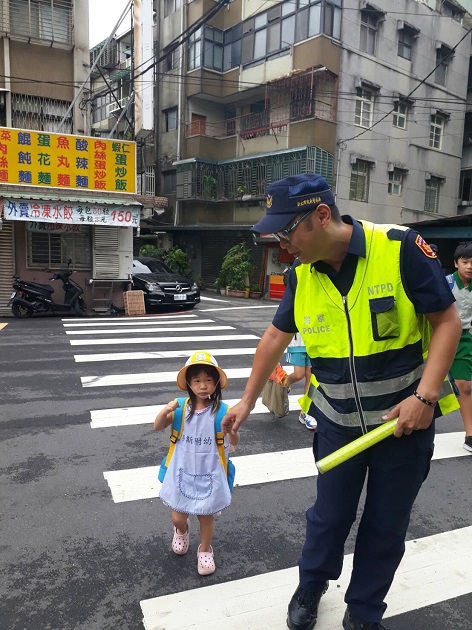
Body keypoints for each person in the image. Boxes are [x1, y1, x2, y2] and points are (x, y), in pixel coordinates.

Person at [221, 173, 461, 630]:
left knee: (385, 526)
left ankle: (365, 612)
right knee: (328, 517)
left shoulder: (400, 248)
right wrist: (247, 401)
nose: (283, 244)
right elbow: (275, 334)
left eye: (288, 231)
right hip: (337, 422)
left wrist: (425, 398)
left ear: (322, 216)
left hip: (402, 423)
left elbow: (448, 321)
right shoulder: (301, 276)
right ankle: (311, 585)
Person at [154, 351, 240, 576]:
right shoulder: (181, 408)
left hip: (209, 472)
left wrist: (232, 431)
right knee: (177, 516)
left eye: (208, 380)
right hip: (182, 471)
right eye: (198, 381)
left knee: (206, 516)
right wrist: (165, 411)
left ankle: (205, 549)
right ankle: (181, 530)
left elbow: (234, 441)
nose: (203, 386)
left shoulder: (222, 410)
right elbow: (158, 426)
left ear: (217, 383)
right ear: (189, 384)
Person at [446, 242, 472, 452]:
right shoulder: (445, 284)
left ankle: (470, 435)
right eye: (465, 262)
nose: (469, 266)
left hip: (465, 339)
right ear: (456, 264)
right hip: (443, 335)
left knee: (464, 385)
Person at [285, 332, 317, 429]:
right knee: (299, 375)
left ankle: (306, 411)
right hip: (297, 344)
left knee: (310, 375)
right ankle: (283, 385)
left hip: (313, 343)